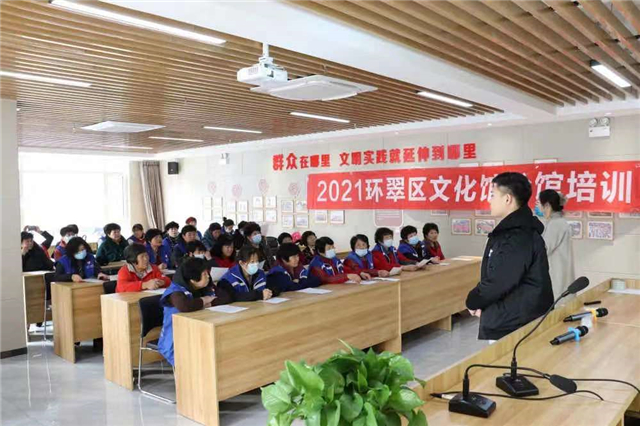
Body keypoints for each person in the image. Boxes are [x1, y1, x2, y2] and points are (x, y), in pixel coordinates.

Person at [466, 172, 554, 340]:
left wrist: (473, 301)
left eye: (493, 195)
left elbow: (500, 280)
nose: (489, 200)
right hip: (515, 316)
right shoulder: (518, 230)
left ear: (507, 199)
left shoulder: (516, 236)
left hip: (513, 323)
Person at [158, 257, 234, 365]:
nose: (208, 276)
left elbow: (226, 297)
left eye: (207, 273)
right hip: (176, 338)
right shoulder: (175, 291)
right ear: (193, 280)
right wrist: (204, 300)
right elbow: (185, 306)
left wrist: (208, 303)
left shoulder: (204, 285)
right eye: (204, 274)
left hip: (198, 331)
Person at [538, 189, 575, 300]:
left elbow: (543, 249)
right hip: (558, 277)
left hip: (556, 279)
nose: (537, 206)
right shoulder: (557, 222)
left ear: (547, 206)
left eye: (539, 203)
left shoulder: (556, 224)